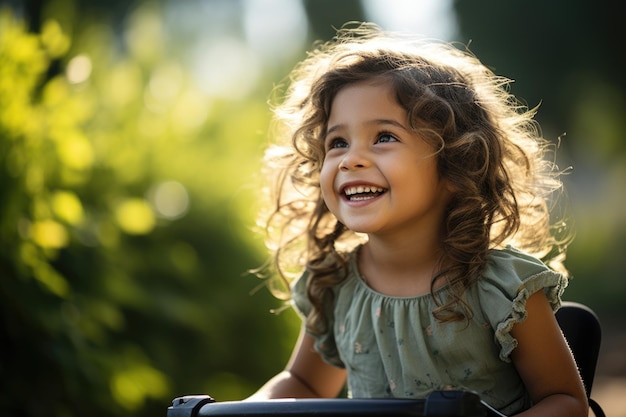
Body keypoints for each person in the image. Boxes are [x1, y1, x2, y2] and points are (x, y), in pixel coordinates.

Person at [248, 22, 588, 417]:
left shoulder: (500, 289)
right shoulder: (335, 285)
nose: (350, 158)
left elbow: (565, 403)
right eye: (337, 142)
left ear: (454, 166)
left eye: (384, 137)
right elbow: (304, 384)